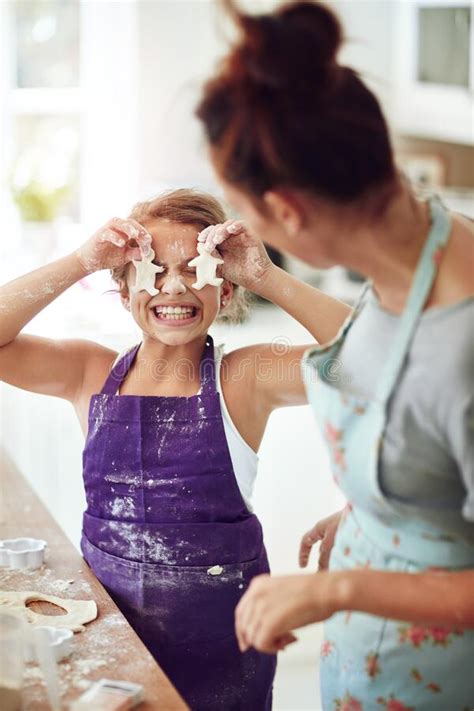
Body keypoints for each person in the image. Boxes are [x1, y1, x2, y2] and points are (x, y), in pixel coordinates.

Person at [195, 1, 474, 708]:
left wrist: (337, 585)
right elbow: (381, 357)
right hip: (365, 660)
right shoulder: (420, 243)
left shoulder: (466, 345)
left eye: (245, 207)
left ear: (286, 211)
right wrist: (380, 518)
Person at [0, 188, 349, 709]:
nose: (174, 285)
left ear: (225, 293)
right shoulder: (87, 373)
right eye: (152, 269)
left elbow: (369, 355)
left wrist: (266, 275)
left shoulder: (246, 377)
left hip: (223, 649)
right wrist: (81, 262)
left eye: (195, 268)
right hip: (114, 639)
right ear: (123, 291)